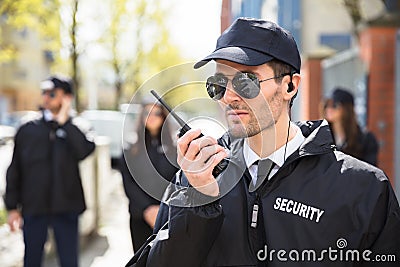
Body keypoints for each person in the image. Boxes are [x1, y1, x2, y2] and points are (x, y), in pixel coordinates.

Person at [126, 18, 400, 267]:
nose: (229, 97)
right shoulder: (195, 179)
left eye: (247, 81)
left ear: (290, 86)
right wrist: (200, 202)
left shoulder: (364, 189)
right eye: (218, 84)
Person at [3, 76, 95, 267]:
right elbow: (15, 168)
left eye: (52, 93)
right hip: (33, 207)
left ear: (67, 98)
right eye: (44, 92)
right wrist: (12, 207)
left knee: (69, 262)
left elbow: (85, 151)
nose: (46, 97)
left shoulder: (78, 126)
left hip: (67, 207)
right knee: (32, 260)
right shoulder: (28, 128)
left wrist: (65, 122)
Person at [119, 99, 178, 252]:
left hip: (169, 216)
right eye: (147, 113)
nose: (152, 117)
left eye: (157, 113)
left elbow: (179, 182)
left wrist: (163, 209)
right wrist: (147, 209)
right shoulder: (130, 149)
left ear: (164, 117)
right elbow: (128, 182)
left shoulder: (176, 149)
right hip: (140, 215)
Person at [323, 87, 379, 166]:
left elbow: (370, 170)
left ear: (346, 108)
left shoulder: (366, 139)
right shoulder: (322, 137)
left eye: (334, 105)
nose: (329, 109)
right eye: (326, 105)